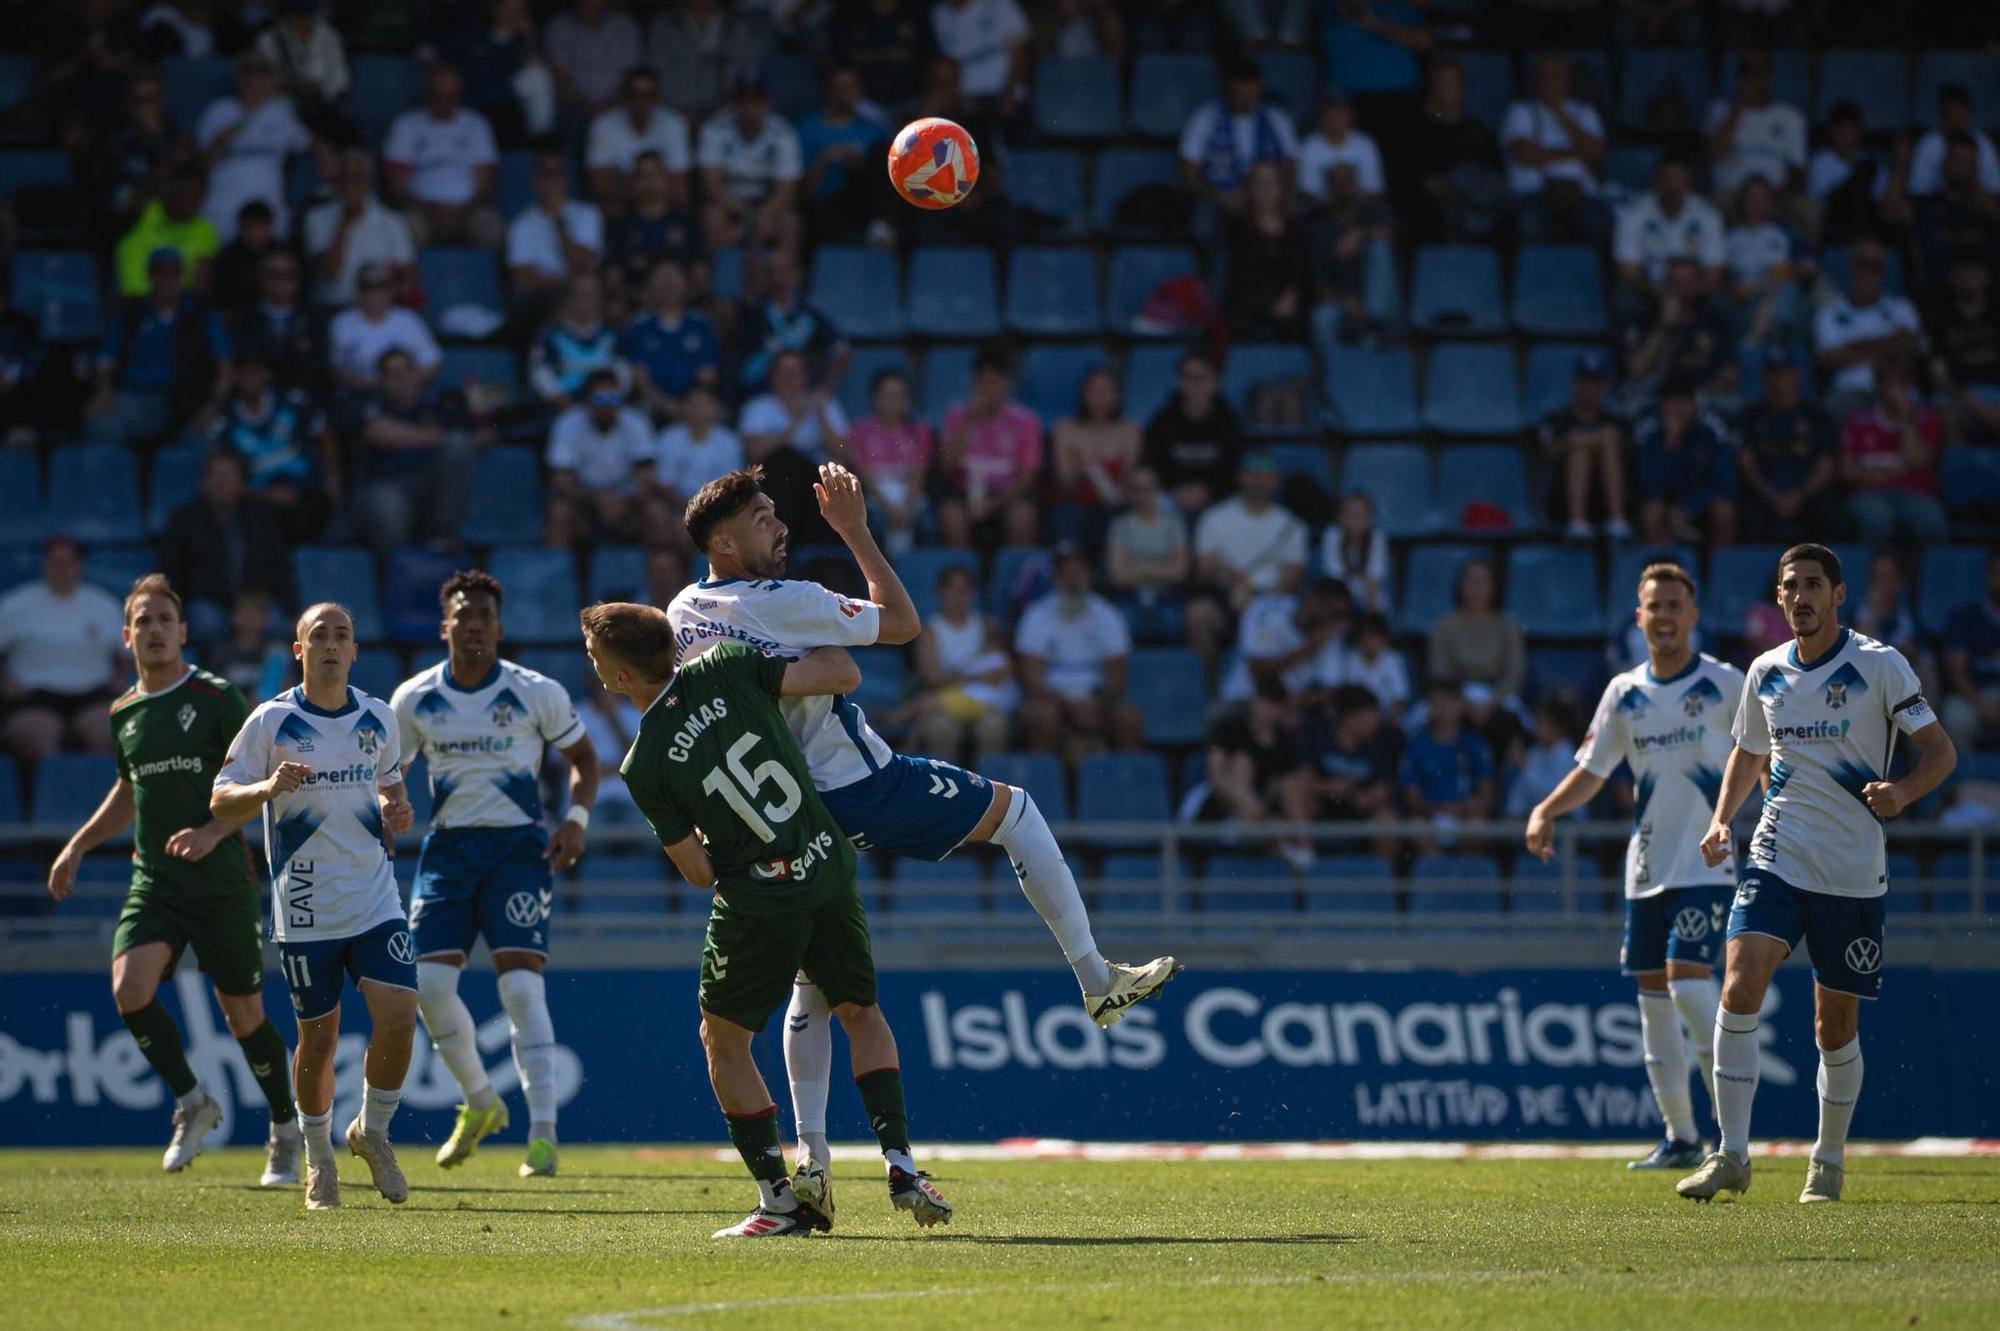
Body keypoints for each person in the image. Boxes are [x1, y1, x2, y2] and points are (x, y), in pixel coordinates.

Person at [666, 470, 1175, 1196]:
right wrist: (854, 529)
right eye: (761, 517)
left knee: (811, 988)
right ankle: (1097, 979)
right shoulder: (794, 601)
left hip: (783, 813)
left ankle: (813, 1159)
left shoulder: (684, 610)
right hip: (861, 783)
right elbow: (901, 623)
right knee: (1018, 810)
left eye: (777, 512)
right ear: (723, 539)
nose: (779, 525)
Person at [584, 608, 949, 1237]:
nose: (592, 666)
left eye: (593, 656)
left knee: (722, 1040)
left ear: (619, 676)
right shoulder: (726, 664)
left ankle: (780, 1201)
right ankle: (902, 1163)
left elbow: (698, 873)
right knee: (860, 1011)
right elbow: (838, 672)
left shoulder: (642, 767)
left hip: (761, 897)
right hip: (827, 863)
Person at [1683, 544, 1957, 1204]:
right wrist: (1722, 820)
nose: (1800, 595)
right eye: (1789, 586)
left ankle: (1828, 1160)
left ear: (1838, 594)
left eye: (1813, 584)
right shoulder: (1765, 671)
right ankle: (1731, 1154)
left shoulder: (1879, 665)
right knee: (1740, 984)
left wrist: (1904, 792)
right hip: (1777, 855)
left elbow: (1941, 752)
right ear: (1778, 599)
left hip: (1852, 872)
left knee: (1833, 1027)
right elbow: (1748, 754)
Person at [45, 574, 300, 1182]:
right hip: (154, 879)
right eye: (144, 621)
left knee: (243, 1015)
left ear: (183, 632)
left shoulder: (216, 700)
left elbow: (253, 785)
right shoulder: (124, 712)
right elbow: (129, 789)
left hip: (218, 878)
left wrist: (213, 832)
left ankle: (286, 1130)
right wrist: (78, 845)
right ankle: (193, 1101)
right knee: (129, 989)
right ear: (126, 635)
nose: (155, 630)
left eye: (166, 620)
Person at [1527, 562, 1742, 1169]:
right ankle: (1680, 1139)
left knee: (1686, 984)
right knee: (1653, 1004)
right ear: (1639, 615)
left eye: (1676, 605)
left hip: (1706, 863)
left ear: (1693, 615)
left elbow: (1764, 755)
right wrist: (1546, 810)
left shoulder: (1727, 685)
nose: (1666, 616)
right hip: (1647, 866)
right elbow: (1594, 772)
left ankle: (1732, 1136)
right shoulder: (1625, 692)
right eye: (1655, 606)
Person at [211, 602, 421, 1211]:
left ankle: (373, 1133)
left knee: (400, 1015)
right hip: (303, 903)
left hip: (373, 894)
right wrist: (266, 789)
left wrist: (395, 810)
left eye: (343, 636)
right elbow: (222, 799)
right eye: (319, 636)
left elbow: (389, 785)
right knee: (319, 1042)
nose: (332, 644)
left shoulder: (379, 717)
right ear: (299, 650)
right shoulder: (271, 721)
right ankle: (319, 1158)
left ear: (355, 650)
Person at [392, 571, 599, 1179]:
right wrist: (389, 805)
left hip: (518, 852)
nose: (474, 623)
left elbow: (583, 758)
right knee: (427, 988)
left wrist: (578, 820)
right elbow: (390, 773)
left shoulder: (536, 692)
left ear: (500, 628)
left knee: (519, 990)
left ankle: (542, 1136)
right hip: (448, 853)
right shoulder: (415, 699)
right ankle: (481, 1102)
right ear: (445, 626)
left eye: (484, 614)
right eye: (463, 614)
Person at [88, 248, 233, 447]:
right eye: (160, 272)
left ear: (182, 276)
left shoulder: (202, 315)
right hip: (136, 397)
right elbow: (105, 359)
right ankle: (113, 478)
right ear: (150, 275)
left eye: (174, 272)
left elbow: (225, 368)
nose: (167, 279)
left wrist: (212, 405)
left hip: (188, 399)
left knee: (209, 433)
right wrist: (104, 391)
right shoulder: (132, 312)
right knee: (100, 423)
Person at [349, 348, 487, 555]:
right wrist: (436, 438)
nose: (401, 380)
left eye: (406, 372)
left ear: (416, 375)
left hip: (428, 486)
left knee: (458, 445)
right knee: (388, 505)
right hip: (385, 485)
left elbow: (478, 437)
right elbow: (380, 432)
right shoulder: (370, 406)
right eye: (393, 375)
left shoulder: (437, 408)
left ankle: (444, 534)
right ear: (382, 380)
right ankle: (396, 569)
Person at [0, 539, 126, 760]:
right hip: (34, 695)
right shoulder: (16, 605)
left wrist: (118, 680)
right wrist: (5, 683)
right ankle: (42, 794)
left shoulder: (103, 605)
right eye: (55, 562)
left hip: (93, 694)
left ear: (79, 565)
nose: (62, 569)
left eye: (68, 562)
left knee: (108, 734)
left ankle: (100, 794)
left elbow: (127, 655)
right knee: (40, 740)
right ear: (44, 565)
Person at [160, 450, 296, 639]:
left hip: (255, 601)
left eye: (229, 476)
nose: (222, 483)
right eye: (215, 476)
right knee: (205, 622)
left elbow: (280, 566)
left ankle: (269, 669)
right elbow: (172, 574)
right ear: (203, 482)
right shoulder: (184, 520)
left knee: (278, 622)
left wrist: (259, 604)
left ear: (242, 483)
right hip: (210, 602)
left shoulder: (261, 517)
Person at [1188, 453, 1308, 666]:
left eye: (1264, 475)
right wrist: (1232, 580)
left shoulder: (1292, 525)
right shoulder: (1215, 517)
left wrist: (1255, 601)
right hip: (1226, 596)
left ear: (1275, 479)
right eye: (1252, 474)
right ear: (1240, 477)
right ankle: (1211, 691)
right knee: (1198, 615)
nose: (1258, 480)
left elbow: (1292, 582)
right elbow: (1203, 571)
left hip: (1271, 601)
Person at [1185, 676, 1315, 871]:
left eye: (1275, 706)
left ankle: (1306, 848)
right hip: (1224, 806)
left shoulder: (1285, 741)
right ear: (1254, 701)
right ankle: (1255, 825)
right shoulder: (1226, 729)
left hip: (1264, 811)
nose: (1268, 711)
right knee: (1243, 762)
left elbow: (1293, 785)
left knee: (1291, 784)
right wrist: (1251, 807)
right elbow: (1215, 776)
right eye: (1265, 703)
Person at [195, 50, 316, 242]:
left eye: (263, 70)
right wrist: (221, 141)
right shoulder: (217, 111)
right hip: (220, 210)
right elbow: (200, 166)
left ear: (272, 79)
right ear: (237, 76)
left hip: (268, 212)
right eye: (248, 69)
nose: (254, 77)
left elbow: (315, 146)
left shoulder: (281, 114)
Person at [904, 564, 1015, 767]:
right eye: (953, 590)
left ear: (973, 594)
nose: (959, 597)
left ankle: (989, 792)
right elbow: (935, 680)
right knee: (942, 729)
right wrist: (977, 677)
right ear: (941, 593)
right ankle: (947, 792)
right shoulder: (931, 630)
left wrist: (960, 678)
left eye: (964, 591)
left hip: (984, 700)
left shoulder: (986, 625)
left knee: (995, 727)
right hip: (944, 701)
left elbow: (1000, 671)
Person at [545, 368, 668, 547]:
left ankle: (661, 572)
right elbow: (561, 481)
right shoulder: (568, 424)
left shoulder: (636, 423)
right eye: (601, 399)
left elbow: (647, 478)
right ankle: (555, 573)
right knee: (559, 512)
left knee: (657, 512)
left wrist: (625, 500)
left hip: (628, 503)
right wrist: (596, 498)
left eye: (614, 398)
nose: (608, 405)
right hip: (584, 503)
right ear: (587, 402)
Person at [383, 62, 501, 247]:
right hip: (420, 210)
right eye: (438, 94)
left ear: (459, 94)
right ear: (427, 93)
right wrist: (430, 211)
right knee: (405, 228)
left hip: (467, 210)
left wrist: (461, 213)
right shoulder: (406, 124)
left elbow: (486, 186)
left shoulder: (477, 125)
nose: (444, 100)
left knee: (491, 228)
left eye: (450, 94)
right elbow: (398, 187)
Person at [936, 345, 1042, 547]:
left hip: (1007, 494)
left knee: (1023, 517)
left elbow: (1027, 478)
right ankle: (960, 574)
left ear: (1006, 384)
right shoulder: (957, 416)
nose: (988, 389)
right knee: (952, 517)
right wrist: (969, 421)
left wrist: (995, 504)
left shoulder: (1026, 421)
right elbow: (946, 467)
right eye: (982, 382)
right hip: (964, 492)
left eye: (993, 382)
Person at [1734, 349, 1840, 543]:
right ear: (1764, 378)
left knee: (1832, 515)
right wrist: (1770, 494)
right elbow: (1746, 462)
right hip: (1764, 493)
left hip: (1808, 493)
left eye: (1784, 374)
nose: (1778, 381)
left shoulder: (1817, 416)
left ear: (1797, 376)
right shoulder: (1750, 416)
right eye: (1773, 374)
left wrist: (1799, 495)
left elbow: (1826, 465)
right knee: (1747, 516)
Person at [1398, 55, 1505, 244]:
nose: (1446, 89)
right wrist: (1444, 187)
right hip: (1434, 201)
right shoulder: (1414, 127)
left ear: (1463, 89)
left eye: (1451, 83)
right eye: (1441, 83)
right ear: (1431, 87)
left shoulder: (1477, 130)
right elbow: (1410, 173)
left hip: (1476, 199)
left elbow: (1495, 173)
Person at [1502, 53, 1608, 243]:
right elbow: (1523, 154)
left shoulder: (1585, 111)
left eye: (1556, 76)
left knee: (1599, 222)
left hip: (1580, 194)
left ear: (1567, 80)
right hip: (1534, 193)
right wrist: (1576, 153)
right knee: (1529, 224)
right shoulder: (1521, 111)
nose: (1550, 82)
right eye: (1545, 75)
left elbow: (1596, 152)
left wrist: (1559, 113)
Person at [1177, 58, 1298, 224]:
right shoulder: (1204, 118)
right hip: (1220, 199)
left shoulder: (1277, 119)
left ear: (1259, 87)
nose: (1245, 95)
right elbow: (1189, 176)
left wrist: (1281, 198)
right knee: (1205, 220)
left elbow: (1289, 167)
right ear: (1228, 88)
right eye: (1240, 87)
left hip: (1268, 199)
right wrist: (1218, 195)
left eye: (1250, 86)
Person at [1814, 238, 1922, 414]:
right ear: (1851, 268)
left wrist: (1854, 347)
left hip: (1897, 389)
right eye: (1862, 264)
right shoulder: (1829, 313)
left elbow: (1906, 345)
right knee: (1829, 410)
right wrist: (1887, 349)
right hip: (1850, 391)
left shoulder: (1902, 307)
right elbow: (1831, 358)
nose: (1869, 272)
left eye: (1876, 266)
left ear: (1885, 273)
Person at [697, 76, 803, 253]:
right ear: (734, 104)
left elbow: (786, 191)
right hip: (728, 202)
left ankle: (782, 276)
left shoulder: (784, 133)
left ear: (768, 103)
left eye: (757, 101)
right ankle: (716, 275)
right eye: (744, 101)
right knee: (712, 216)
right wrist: (746, 217)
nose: (750, 108)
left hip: (767, 203)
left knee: (790, 222)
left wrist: (758, 218)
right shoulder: (714, 128)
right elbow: (712, 185)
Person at [303, 150, 418, 308]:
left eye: (357, 178)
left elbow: (408, 276)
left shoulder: (392, 221)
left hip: (379, 310)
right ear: (336, 182)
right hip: (332, 307)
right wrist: (345, 221)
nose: (351, 185)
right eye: (345, 178)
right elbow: (328, 273)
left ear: (370, 182)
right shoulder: (316, 218)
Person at [1634, 375, 1739, 546]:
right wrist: (1670, 444)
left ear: (1694, 403)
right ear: (1661, 404)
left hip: (1700, 503)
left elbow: (1726, 482)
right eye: (1670, 401)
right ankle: (1661, 567)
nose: (1677, 408)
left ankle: (1722, 568)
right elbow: (1647, 485)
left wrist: (1688, 507)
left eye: (1683, 401)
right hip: (1665, 504)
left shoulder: (1711, 431)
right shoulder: (1649, 434)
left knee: (1724, 510)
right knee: (1652, 511)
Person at [1614, 151, 1725, 310]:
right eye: (1666, 179)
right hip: (1649, 289)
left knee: (1719, 303)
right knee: (1626, 301)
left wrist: (1687, 292)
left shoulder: (1707, 214)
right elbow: (1628, 272)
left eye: (1678, 179)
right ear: (1656, 181)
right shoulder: (1634, 212)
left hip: (1694, 291)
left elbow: (1713, 273)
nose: (1671, 186)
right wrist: (1657, 290)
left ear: (1688, 183)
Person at [795, 65, 892, 246]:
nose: (845, 94)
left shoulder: (874, 130)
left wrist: (862, 162)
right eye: (839, 88)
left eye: (850, 87)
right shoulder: (807, 129)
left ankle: (881, 226)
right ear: (829, 92)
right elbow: (804, 189)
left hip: (863, 202)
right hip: (821, 204)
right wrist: (824, 158)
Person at [1538, 351, 1631, 539]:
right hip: (1562, 501)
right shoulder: (1557, 420)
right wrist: (1573, 441)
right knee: (1579, 447)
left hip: (1603, 497)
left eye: (1595, 383)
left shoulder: (1616, 421)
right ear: (1575, 383)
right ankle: (1577, 521)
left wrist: (1602, 439)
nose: (1589, 389)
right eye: (1585, 382)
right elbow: (1547, 452)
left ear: (1604, 386)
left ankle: (1617, 519)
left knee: (1609, 439)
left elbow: (1628, 451)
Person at [1143, 351, 1246, 515]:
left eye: (1201, 377)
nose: (1194, 383)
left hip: (1218, 500)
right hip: (1171, 498)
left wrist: (1208, 492)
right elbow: (1151, 464)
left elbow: (1235, 470)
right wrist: (1175, 491)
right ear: (1179, 382)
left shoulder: (1231, 422)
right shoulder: (1162, 420)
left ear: (1216, 382)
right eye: (1188, 377)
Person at [1622, 256, 1737, 401]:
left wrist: (1701, 397)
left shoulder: (1715, 318)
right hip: (1656, 396)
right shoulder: (1647, 316)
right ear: (1666, 285)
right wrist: (1663, 327)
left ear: (1698, 284)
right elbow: (1636, 369)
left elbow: (1729, 372)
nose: (1682, 289)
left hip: (1703, 396)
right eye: (1676, 282)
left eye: (1688, 282)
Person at [736, 246, 848, 395]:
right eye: (771, 273)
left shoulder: (810, 315)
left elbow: (843, 352)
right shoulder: (753, 314)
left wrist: (824, 389)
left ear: (797, 275)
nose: (778, 279)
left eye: (784, 273)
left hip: (799, 397)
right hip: (760, 397)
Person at [845, 366, 932, 556]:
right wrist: (889, 508)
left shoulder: (919, 431)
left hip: (909, 498)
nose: (895, 402)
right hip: (877, 500)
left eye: (900, 396)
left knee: (926, 523)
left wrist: (907, 508)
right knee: (871, 524)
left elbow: (918, 474)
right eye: (889, 395)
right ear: (875, 398)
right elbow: (865, 476)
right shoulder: (860, 431)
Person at [1398, 680, 1495, 850]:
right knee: (1415, 825)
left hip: (1465, 815)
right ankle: (1437, 869)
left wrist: (1464, 808)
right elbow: (1412, 797)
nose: (1443, 710)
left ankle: (1465, 872)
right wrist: (1437, 808)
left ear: (1460, 706)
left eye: (1448, 703)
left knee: (1477, 824)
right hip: (1430, 816)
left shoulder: (1474, 744)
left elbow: (1486, 793)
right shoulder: (1416, 745)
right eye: (1436, 703)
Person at [1223, 160, 1311, 342]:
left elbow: (1302, 268)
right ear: (1249, 189)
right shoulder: (1236, 226)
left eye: (1271, 181)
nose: (1265, 188)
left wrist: (1291, 295)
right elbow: (1240, 272)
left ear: (1281, 187)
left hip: (1289, 300)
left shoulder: (1296, 228)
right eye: (1259, 182)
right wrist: (1269, 304)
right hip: (1249, 300)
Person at [1703, 48, 1807, 198]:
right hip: (1731, 196)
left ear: (1771, 74)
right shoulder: (1718, 110)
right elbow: (1714, 155)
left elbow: (1798, 175)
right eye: (1746, 70)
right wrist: (1739, 105)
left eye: (1758, 70)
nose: (1752, 77)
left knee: (1810, 211)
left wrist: (1774, 198)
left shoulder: (1791, 117)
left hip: (1775, 197)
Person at [1723, 175, 1811, 349]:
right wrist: (1739, 289)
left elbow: (1808, 267)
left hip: (1778, 293)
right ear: (1743, 200)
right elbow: (1724, 279)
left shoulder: (1784, 232)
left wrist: (1767, 280)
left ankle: (1755, 342)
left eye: (1762, 197)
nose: (1756, 202)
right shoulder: (1730, 236)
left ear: (1769, 202)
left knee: (1782, 289)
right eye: (1751, 197)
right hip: (1745, 299)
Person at [1427, 556, 1525, 712]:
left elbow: (1513, 675)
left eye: (1482, 581)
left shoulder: (1508, 625)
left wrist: (1491, 702)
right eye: (1471, 581)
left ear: (1493, 586)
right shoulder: (1444, 625)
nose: (1476, 588)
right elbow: (1440, 671)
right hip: (1454, 696)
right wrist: (1462, 701)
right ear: (1460, 585)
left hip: (1497, 695)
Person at [1104, 464, 1189, 642]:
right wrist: (1161, 566)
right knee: (1122, 622)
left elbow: (1180, 572)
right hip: (1130, 598)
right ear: (1129, 493)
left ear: (1158, 490)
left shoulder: (1174, 524)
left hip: (1167, 597)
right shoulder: (1120, 526)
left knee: (1172, 621)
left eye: (1148, 489)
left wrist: (1138, 567)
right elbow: (1117, 576)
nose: (1143, 495)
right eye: (1137, 490)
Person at [1051, 366, 1139, 538]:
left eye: (1106, 390)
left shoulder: (1130, 430)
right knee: (1067, 516)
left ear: (1117, 394)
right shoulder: (1065, 429)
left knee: (1128, 515)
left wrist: (1115, 494)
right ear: (1083, 394)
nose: (1100, 397)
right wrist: (1086, 474)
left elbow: (1130, 477)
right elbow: (1064, 483)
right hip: (1076, 502)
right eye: (1094, 391)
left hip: (1117, 503)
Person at [586, 65, 691, 210]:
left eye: (648, 96)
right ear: (624, 97)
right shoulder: (603, 125)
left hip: (663, 208)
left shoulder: (674, 124)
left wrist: (631, 184)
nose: (641, 103)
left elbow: (679, 189)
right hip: (622, 209)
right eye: (634, 95)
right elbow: (602, 188)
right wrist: (651, 185)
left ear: (657, 98)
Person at [507, 150, 604, 302]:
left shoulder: (588, 213)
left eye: (558, 173)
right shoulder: (521, 224)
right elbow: (522, 279)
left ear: (566, 179)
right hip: (541, 299)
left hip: (579, 297)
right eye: (547, 173)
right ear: (535, 180)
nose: (553, 180)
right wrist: (564, 282)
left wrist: (559, 220)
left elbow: (581, 265)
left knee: (586, 287)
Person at [605, 154, 703, 302]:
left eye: (655, 174)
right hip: (635, 305)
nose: (649, 181)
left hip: (681, 307)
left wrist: (671, 301)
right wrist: (643, 298)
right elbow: (613, 278)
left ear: (666, 179)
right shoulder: (620, 226)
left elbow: (700, 277)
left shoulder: (687, 223)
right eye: (643, 175)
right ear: (633, 181)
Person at [329, 263, 441, 390]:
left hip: (407, 395)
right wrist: (379, 385)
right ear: (357, 291)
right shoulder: (342, 323)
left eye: (382, 286)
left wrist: (402, 384)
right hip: (360, 394)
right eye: (368, 287)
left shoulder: (408, 319)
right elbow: (336, 371)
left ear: (391, 290)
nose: (375, 293)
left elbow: (433, 362)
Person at [116, 165, 222, 299]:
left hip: (175, 309)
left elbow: (200, 288)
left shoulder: (205, 230)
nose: (191, 201)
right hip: (131, 301)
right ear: (171, 190)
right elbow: (128, 201)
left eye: (197, 196)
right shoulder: (145, 210)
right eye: (185, 193)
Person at [1307, 683, 1400, 832]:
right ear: (1350, 717)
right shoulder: (1319, 740)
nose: (1376, 721)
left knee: (1387, 817)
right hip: (1322, 809)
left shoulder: (1376, 748)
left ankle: (1380, 857)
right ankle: (1306, 851)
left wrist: (1371, 797)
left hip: (1360, 814)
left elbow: (1384, 786)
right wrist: (1327, 788)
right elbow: (1302, 779)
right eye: (1370, 715)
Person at [528, 272, 628, 410]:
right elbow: (540, 373)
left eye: (594, 295)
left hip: (606, 407)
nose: (589, 300)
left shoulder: (611, 333)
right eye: (583, 294)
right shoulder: (551, 334)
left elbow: (623, 372)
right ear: (569, 298)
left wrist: (609, 400)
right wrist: (564, 402)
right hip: (565, 406)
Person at [1929, 258, 2000, 444]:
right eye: (1962, 273)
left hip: (1995, 391)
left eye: (1974, 272)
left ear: (1987, 277)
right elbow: (1939, 376)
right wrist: (1970, 400)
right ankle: (1962, 471)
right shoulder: (1940, 318)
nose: (1968, 278)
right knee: (1946, 417)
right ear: (1952, 279)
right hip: (1956, 392)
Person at [739, 349, 851, 464]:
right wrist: (796, 421)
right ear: (772, 375)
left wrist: (821, 417)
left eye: (795, 372)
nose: (789, 378)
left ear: (805, 375)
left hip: (817, 474)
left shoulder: (825, 403)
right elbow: (755, 453)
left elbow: (843, 453)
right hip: (775, 475)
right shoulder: (757, 407)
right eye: (784, 372)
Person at [653, 382, 745, 514]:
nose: (698, 409)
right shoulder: (668, 438)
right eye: (693, 403)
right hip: (676, 507)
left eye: (705, 404)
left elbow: (732, 484)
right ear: (684, 407)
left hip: (717, 509)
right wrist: (690, 509)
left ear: (716, 408)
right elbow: (664, 484)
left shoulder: (729, 441)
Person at [1941, 552, 2000, 753]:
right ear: (1989, 576)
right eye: (1998, 574)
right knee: (1956, 717)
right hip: (1975, 693)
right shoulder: (1965, 618)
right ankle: (1960, 782)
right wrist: (1982, 706)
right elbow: (1957, 673)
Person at [544, 0, 642, 120]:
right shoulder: (559, 27)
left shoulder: (626, 27)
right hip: (575, 107)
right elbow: (561, 78)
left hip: (619, 105)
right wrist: (588, 107)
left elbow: (633, 76)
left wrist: (609, 106)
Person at [1907, 84, 2000, 200]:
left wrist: (1970, 184)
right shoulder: (1928, 144)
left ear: (1967, 112)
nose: (1954, 119)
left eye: (1959, 113)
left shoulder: (1984, 145)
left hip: (1977, 210)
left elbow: (1995, 193)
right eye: (1949, 114)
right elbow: (1918, 193)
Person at [1297, 92, 1384, 204]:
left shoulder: (1365, 143)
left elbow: (1374, 189)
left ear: (1350, 115)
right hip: (1321, 211)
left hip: (1361, 208)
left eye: (1340, 112)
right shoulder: (1309, 145)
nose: (1335, 117)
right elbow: (1307, 192)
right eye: (1330, 112)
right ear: (1321, 116)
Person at [1342, 610, 1410, 723]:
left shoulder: (1393, 659)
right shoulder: (1349, 659)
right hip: (1354, 719)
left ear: (1384, 639)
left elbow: (1399, 699)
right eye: (1368, 635)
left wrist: (1388, 720)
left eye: (1376, 636)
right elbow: (1345, 697)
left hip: (1384, 719)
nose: (1372, 641)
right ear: (1359, 638)